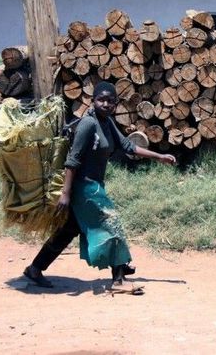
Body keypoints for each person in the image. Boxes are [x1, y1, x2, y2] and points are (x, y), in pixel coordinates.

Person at [23, 81, 177, 292]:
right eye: (101, 100)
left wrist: (159, 156)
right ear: (93, 101)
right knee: (111, 223)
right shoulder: (88, 124)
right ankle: (119, 278)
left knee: (68, 230)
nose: (105, 104)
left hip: (94, 186)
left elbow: (128, 146)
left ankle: (35, 268)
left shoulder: (107, 122)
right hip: (85, 188)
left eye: (110, 101)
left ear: (116, 103)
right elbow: (72, 160)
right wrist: (66, 193)